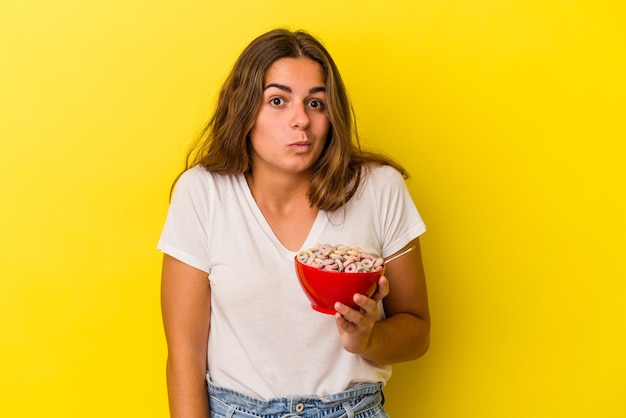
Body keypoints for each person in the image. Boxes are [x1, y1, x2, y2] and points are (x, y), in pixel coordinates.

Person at [158, 28, 430, 418]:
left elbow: (417, 333)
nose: (300, 120)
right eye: (278, 100)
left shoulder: (377, 188)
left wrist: (368, 338)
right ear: (244, 109)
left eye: (316, 103)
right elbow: (184, 356)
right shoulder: (203, 193)